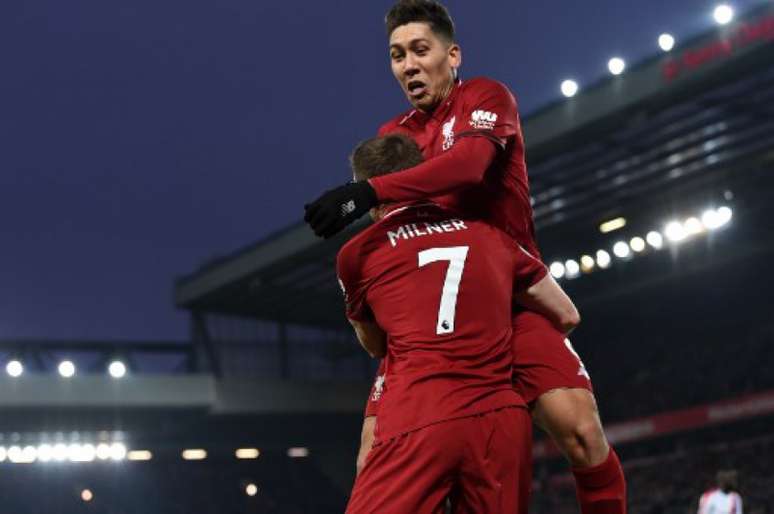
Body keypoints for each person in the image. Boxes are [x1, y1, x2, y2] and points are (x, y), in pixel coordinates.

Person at [305, 1, 627, 513]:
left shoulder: (486, 96)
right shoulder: (396, 135)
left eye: (419, 50)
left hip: (511, 297)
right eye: (396, 55)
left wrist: (368, 191)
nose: (408, 64)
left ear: (452, 55)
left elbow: (471, 165)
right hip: (431, 322)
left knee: (583, 433)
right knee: (370, 458)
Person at [340, 134, 576, 513]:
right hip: (500, 420)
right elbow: (566, 314)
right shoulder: (492, 235)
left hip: (419, 416)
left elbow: (375, 346)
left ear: (367, 190)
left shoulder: (356, 254)